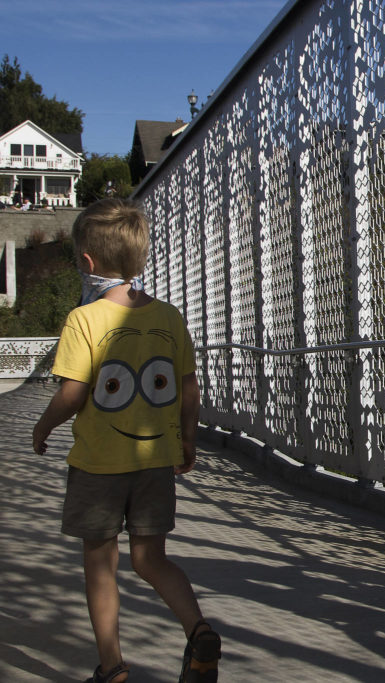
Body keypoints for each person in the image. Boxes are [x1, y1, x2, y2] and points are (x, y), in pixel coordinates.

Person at [31, 198, 221, 683]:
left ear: (87, 263)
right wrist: (188, 440)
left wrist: (43, 426)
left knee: (100, 565)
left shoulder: (84, 320)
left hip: (98, 465)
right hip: (154, 461)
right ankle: (197, 629)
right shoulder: (171, 317)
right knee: (150, 558)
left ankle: (112, 669)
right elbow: (188, 387)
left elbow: (73, 393)